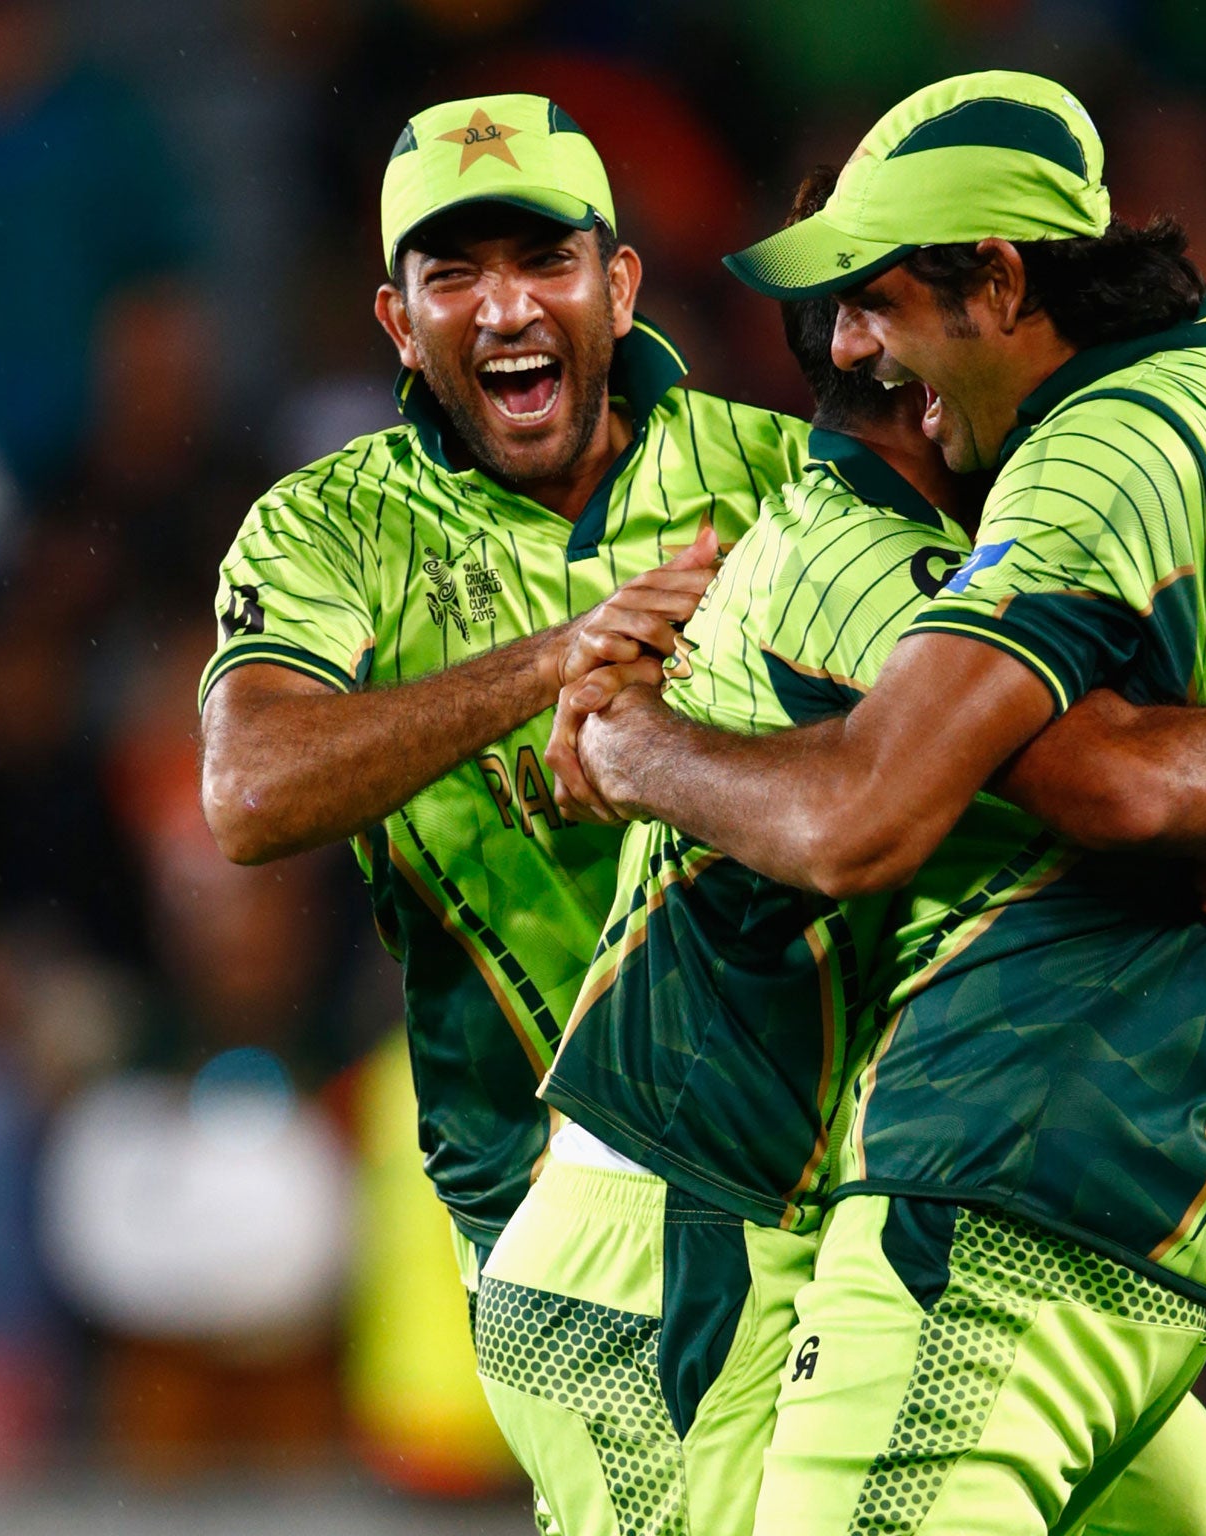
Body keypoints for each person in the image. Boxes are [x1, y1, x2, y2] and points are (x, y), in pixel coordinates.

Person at [547, 72, 1206, 1535]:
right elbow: (1075, 784)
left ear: (1002, 287)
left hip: (934, 1186)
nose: (868, 342)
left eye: (883, 305)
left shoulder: (1059, 494)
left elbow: (1119, 776)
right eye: (854, 321)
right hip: (684, 1223)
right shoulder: (876, 561)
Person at [196, 93, 809, 1331]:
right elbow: (249, 794)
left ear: (620, 286)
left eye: (546, 261)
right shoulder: (327, 529)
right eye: (455, 274)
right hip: (538, 1217)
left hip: (806, 1173)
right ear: (400, 325)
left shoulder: (780, 478)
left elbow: (978, 709)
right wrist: (554, 661)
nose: (509, 307)